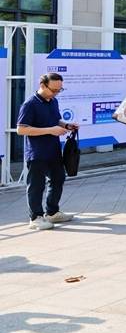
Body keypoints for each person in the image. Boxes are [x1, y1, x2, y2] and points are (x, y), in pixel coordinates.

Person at [16, 72, 78, 230]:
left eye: (59, 90)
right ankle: (35, 217)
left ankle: (52, 212)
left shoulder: (53, 101)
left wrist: (66, 125)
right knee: (36, 185)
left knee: (58, 179)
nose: (56, 93)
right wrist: (50, 130)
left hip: (54, 150)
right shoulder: (30, 104)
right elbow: (21, 129)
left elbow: (55, 119)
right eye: (54, 90)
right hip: (36, 152)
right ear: (42, 85)